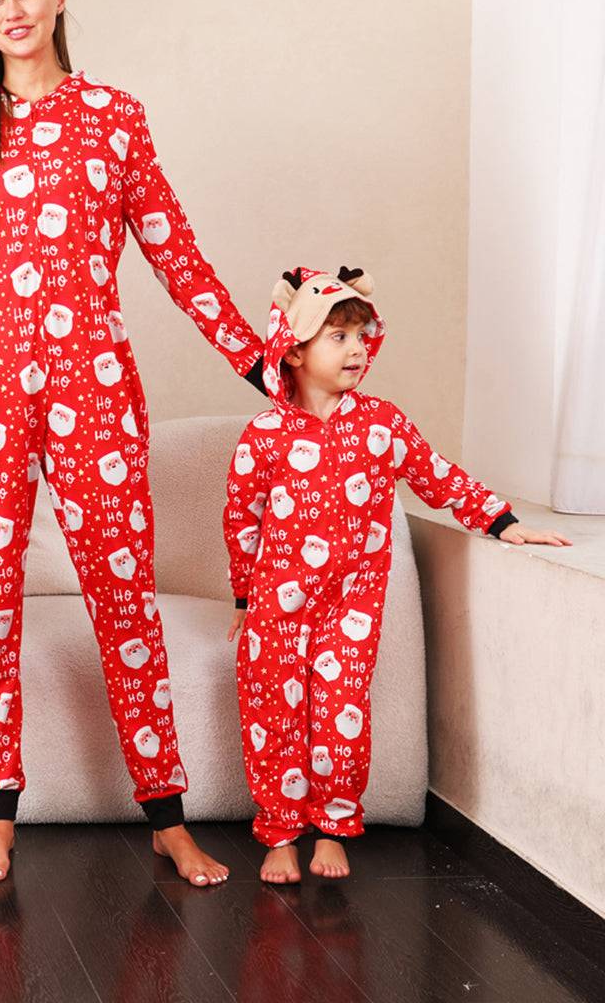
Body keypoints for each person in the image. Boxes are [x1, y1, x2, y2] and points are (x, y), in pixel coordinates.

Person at [0, 0, 264, 886]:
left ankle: (168, 816)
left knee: (122, 596)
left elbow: (173, 250)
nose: (13, 12)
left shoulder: (114, 118)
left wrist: (258, 363)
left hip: (93, 383)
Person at [225, 266, 571, 883]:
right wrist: (246, 599)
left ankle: (333, 826)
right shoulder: (263, 436)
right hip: (277, 607)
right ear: (295, 351)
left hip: (352, 605)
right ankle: (279, 833)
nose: (357, 350)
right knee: (272, 715)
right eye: (338, 337)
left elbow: (439, 475)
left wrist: (502, 521)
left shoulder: (381, 424)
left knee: (340, 713)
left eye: (362, 336)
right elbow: (241, 520)